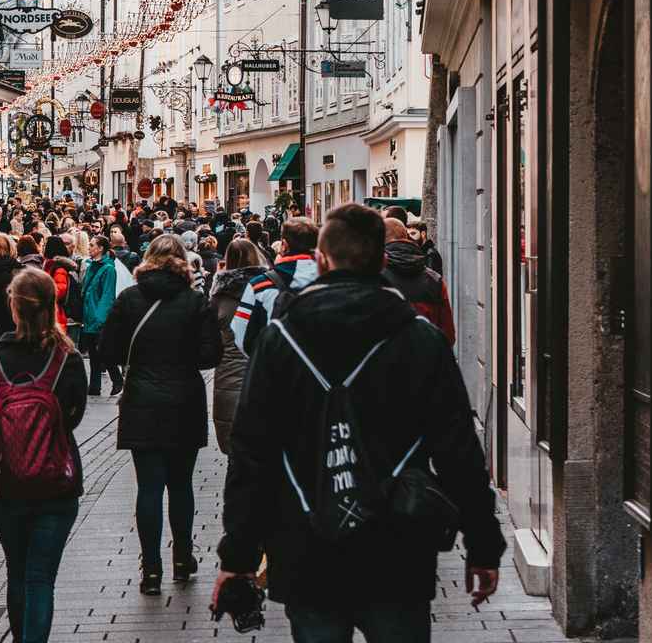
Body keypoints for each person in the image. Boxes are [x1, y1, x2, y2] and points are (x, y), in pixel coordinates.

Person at [214, 204, 505, 643]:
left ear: (321, 260)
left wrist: (237, 556)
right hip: (397, 544)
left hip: (306, 540)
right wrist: (483, 543)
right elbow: (458, 448)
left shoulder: (281, 340)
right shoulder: (419, 338)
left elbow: (252, 452)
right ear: (382, 260)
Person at [97, 234, 221, 595]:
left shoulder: (129, 299)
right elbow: (210, 355)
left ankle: (151, 568)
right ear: (183, 262)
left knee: (149, 487)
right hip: (184, 399)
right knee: (181, 485)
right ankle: (183, 559)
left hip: (142, 401)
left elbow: (108, 350)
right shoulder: (196, 301)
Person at [0, 269, 88, 643]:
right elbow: (74, 415)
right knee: (41, 578)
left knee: (17, 572)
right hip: (57, 479)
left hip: (6, 480)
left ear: (13, 305)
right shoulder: (66, 359)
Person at [206, 239, 269, 454]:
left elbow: (209, 334)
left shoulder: (219, 295)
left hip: (228, 369)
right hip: (262, 368)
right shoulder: (268, 288)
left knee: (232, 441)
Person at [230, 217, 321, 354]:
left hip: (276, 368)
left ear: (284, 245)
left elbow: (241, 336)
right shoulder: (333, 282)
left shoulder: (259, 285)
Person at [380, 218, 456, 347]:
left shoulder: (373, 278)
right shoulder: (435, 280)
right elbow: (448, 336)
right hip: (427, 361)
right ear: (406, 237)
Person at [79, 236, 123, 396]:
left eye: (92, 245)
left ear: (100, 248)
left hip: (98, 317)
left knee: (103, 352)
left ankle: (117, 379)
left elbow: (107, 295)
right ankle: (94, 387)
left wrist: (99, 318)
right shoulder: (92, 266)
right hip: (89, 314)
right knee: (93, 354)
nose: (89, 247)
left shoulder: (108, 268)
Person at [42, 234, 80, 332]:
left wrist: (42, 294)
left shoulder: (58, 268)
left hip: (55, 313)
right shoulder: (51, 265)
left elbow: (59, 291)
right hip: (51, 312)